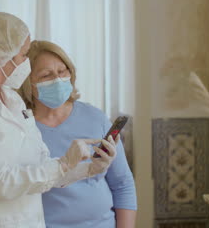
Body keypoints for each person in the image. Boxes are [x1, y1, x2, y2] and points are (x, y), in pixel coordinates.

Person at [0, 12, 117, 227]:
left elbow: (38, 168)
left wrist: (88, 169)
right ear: (2, 58)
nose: (26, 62)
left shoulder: (12, 99)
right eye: (23, 55)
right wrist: (62, 164)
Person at [19, 40, 137, 228]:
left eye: (62, 71)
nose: (57, 80)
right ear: (28, 83)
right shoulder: (20, 127)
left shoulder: (95, 118)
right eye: (46, 75)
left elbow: (123, 184)